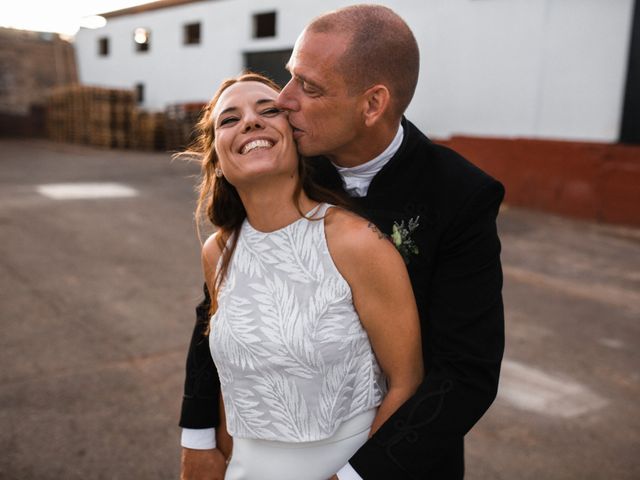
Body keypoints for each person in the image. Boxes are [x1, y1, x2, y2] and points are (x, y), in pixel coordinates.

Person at [180, 4, 505, 479]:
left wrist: (355, 476)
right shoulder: (286, 156)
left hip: (395, 456)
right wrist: (199, 434)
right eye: (290, 77)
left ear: (372, 104)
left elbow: (465, 371)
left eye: (308, 87)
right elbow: (223, 306)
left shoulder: (459, 194)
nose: (285, 100)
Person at [182, 72, 423, 480]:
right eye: (229, 119)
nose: (250, 123)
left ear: (296, 140)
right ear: (218, 162)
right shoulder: (218, 253)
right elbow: (229, 372)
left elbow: (407, 382)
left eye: (268, 111)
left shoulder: (355, 242)